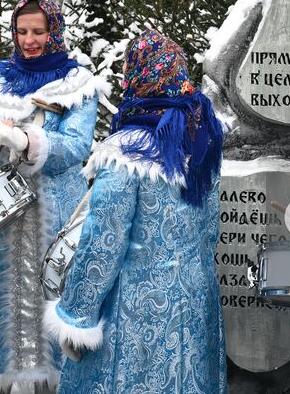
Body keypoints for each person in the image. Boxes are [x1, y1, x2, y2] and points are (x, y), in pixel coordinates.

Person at [0, 0, 107, 393]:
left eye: (38, 31)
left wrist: (28, 140)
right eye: (22, 31)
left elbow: (76, 146)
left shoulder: (77, 84)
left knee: (49, 331)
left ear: (54, 32)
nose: (29, 40)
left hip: (53, 216)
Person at [44, 29, 226, 394]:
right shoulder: (201, 140)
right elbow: (211, 232)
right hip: (194, 305)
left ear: (140, 76)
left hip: (134, 315)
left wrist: (77, 317)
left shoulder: (126, 151)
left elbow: (102, 244)